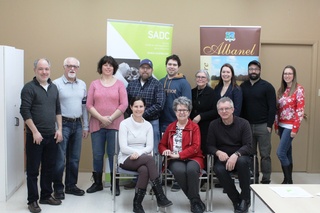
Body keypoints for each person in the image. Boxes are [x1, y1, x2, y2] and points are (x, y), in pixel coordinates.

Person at [20, 58, 63, 213]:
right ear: (35, 70)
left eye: (46, 69)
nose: (44, 72)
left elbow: (58, 110)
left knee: (49, 168)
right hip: (35, 137)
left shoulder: (53, 88)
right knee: (32, 170)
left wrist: (59, 129)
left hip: (52, 136)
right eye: (40, 69)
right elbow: (24, 111)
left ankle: (46, 195)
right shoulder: (29, 88)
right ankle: (32, 200)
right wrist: (35, 131)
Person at [119, 97, 172, 213]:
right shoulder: (124, 123)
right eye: (136, 106)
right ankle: (160, 195)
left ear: (144, 108)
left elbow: (149, 147)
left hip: (141, 157)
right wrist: (135, 153)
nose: (138, 109)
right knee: (149, 159)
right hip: (126, 157)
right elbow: (123, 147)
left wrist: (138, 153)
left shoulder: (148, 125)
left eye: (141, 106)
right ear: (131, 107)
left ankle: (137, 204)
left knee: (144, 170)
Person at [86, 55, 128, 196]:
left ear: (114, 68)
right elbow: (89, 104)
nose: (108, 67)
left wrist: (109, 118)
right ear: (101, 67)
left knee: (113, 155)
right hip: (97, 124)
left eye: (111, 65)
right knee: (97, 155)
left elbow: (124, 104)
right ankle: (97, 183)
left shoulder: (119, 84)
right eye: (105, 64)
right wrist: (101, 118)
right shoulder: (94, 84)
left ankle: (114, 184)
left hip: (115, 124)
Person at [159, 96, 205, 213]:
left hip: (193, 157)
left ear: (189, 112)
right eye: (179, 110)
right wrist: (165, 151)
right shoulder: (170, 127)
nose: (182, 112)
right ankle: (195, 200)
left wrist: (179, 155)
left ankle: (194, 200)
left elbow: (196, 147)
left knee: (191, 170)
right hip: (174, 160)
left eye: (185, 110)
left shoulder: (194, 127)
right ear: (175, 111)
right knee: (179, 171)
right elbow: (161, 145)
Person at [207, 97, 253, 213]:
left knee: (242, 162)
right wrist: (218, 152)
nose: (224, 111)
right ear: (218, 112)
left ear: (233, 109)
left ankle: (245, 198)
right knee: (218, 169)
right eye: (221, 109)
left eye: (227, 108)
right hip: (223, 157)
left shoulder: (244, 123)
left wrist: (236, 155)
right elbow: (209, 145)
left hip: (240, 156)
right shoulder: (213, 125)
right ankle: (236, 200)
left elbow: (248, 145)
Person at [125, 58, 165, 189]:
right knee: (136, 150)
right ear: (139, 69)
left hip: (152, 122)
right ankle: (137, 179)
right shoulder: (131, 84)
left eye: (148, 68)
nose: (145, 70)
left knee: (153, 151)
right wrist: (135, 117)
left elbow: (159, 105)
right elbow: (126, 104)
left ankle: (155, 181)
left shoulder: (157, 84)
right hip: (134, 124)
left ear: (151, 70)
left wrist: (141, 115)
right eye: (143, 67)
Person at [52, 57, 89, 200]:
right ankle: (58, 188)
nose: (72, 68)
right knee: (60, 159)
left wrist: (85, 126)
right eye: (69, 66)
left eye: (75, 66)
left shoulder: (82, 84)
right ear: (64, 67)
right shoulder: (56, 84)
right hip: (63, 125)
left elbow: (84, 107)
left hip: (77, 124)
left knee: (74, 158)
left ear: (78, 68)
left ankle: (71, 185)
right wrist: (57, 128)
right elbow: (53, 108)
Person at [240, 60, 276, 184]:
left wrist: (269, 125)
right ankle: (253, 178)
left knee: (265, 155)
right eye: (251, 69)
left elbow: (272, 107)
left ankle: (266, 179)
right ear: (248, 71)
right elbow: (241, 106)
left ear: (260, 70)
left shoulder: (267, 86)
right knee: (250, 154)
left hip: (263, 126)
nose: (253, 71)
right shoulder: (243, 86)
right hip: (247, 126)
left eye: (255, 69)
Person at [159, 54, 192, 192]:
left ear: (178, 67)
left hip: (177, 123)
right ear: (166, 66)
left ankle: (178, 179)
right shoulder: (161, 81)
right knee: (164, 150)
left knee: (178, 150)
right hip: (162, 122)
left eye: (174, 64)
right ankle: (162, 178)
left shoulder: (183, 83)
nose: (171, 67)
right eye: (169, 64)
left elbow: (187, 103)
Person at [274, 65, 305, 184]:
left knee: (280, 152)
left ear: (294, 75)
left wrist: (295, 129)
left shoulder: (299, 89)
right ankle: (287, 179)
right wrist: (276, 125)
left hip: (290, 126)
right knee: (287, 152)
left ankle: (288, 180)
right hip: (281, 125)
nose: (287, 76)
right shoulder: (281, 90)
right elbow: (277, 110)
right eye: (285, 73)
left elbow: (300, 111)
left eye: (289, 73)